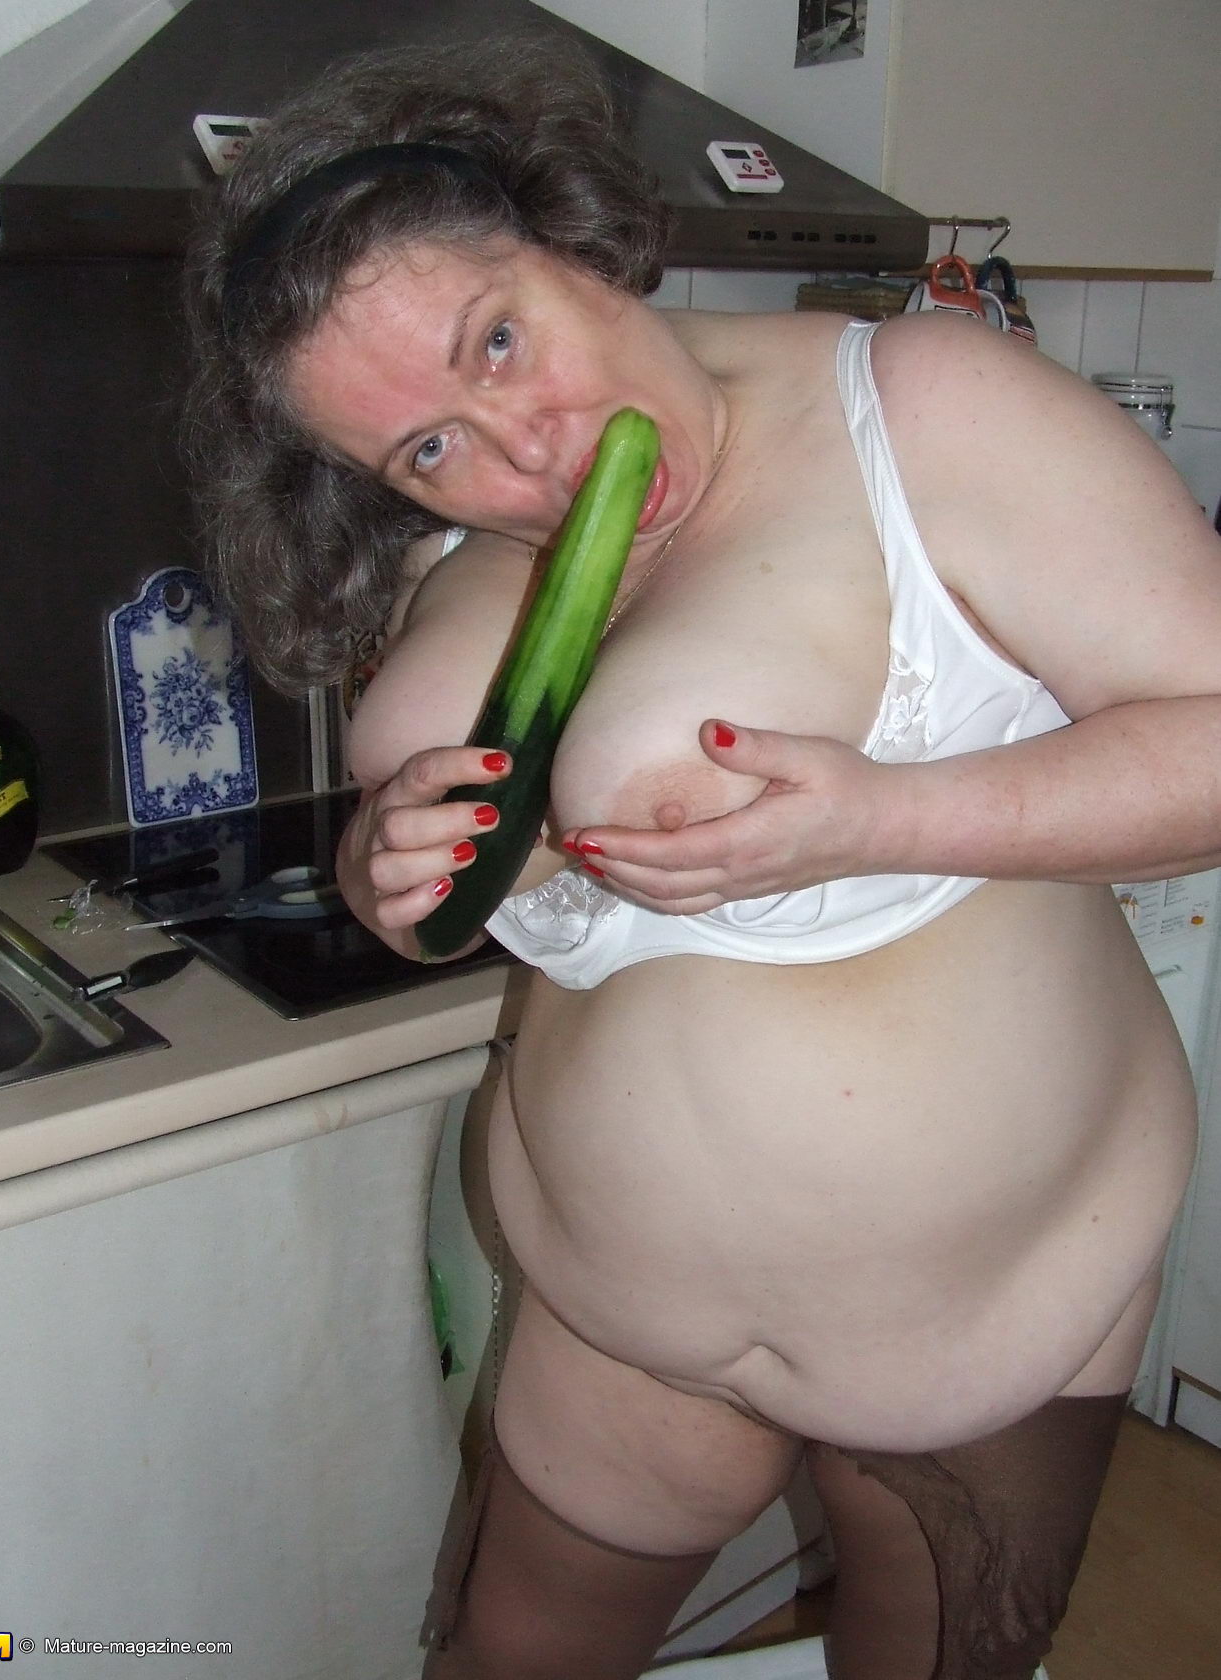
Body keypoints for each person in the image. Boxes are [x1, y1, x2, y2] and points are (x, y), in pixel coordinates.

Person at [183, 34, 1221, 1680]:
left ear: (572, 237)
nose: (524, 455)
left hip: (977, 1312)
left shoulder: (920, 407)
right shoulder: (470, 550)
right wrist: (402, 874)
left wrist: (887, 817)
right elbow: (494, 895)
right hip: (610, 1316)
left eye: (498, 339)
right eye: (427, 447)